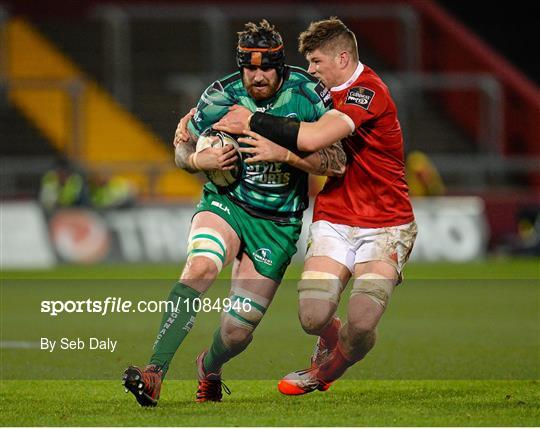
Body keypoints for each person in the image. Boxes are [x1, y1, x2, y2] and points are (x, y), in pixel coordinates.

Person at [122, 19, 346, 407]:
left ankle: (209, 367)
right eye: (249, 68)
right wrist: (195, 159)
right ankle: (154, 371)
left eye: (266, 68)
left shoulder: (309, 95)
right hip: (227, 204)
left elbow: (337, 161)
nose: (257, 77)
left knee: (236, 332)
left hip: (277, 226)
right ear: (240, 65)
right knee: (201, 266)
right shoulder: (219, 97)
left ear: (280, 66)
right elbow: (181, 148)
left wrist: (287, 153)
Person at [214, 17, 418, 395]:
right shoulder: (318, 93)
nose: (309, 70)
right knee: (312, 317)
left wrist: (253, 122)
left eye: (316, 62)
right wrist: (193, 122)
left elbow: (316, 137)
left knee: (361, 323)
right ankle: (331, 339)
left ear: (342, 58)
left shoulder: (366, 93)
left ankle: (321, 375)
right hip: (336, 217)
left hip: (385, 225)